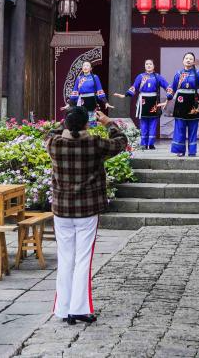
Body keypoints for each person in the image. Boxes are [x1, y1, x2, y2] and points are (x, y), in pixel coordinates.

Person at [45, 106, 128, 325]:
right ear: (87, 124)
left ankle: (63, 308)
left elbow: (51, 133)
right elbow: (121, 142)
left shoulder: (54, 144)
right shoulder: (94, 144)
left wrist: (67, 120)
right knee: (83, 259)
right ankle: (79, 308)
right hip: (87, 209)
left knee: (65, 258)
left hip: (62, 209)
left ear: (66, 123)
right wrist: (108, 123)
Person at [161, 51, 199, 157]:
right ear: (183, 61)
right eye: (186, 58)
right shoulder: (178, 73)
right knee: (180, 127)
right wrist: (167, 101)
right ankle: (180, 150)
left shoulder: (198, 73)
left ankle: (192, 151)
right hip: (180, 102)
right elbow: (172, 88)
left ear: (194, 62)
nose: (188, 60)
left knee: (193, 127)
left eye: (191, 59)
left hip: (193, 102)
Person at [113, 59, 170, 150]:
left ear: (153, 66)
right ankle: (143, 143)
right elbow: (134, 87)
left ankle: (151, 144)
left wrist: (169, 96)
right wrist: (125, 95)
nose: (148, 65)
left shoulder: (157, 77)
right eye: (146, 64)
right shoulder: (140, 76)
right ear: (144, 66)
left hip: (154, 101)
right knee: (143, 122)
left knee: (153, 122)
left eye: (150, 64)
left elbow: (167, 87)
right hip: (143, 101)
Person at [63, 61, 113, 126]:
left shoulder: (95, 77)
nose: (85, 67)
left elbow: (99, 91)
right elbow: (75, 92)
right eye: (84, 65)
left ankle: (92, 131)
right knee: (81, 118)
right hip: (81, 101)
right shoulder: (79, 78)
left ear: (91, 68)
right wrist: (69, 104)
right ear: (82, 68)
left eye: (87, 65)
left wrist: (105, 102)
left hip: (91, 100)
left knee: (91, 120)